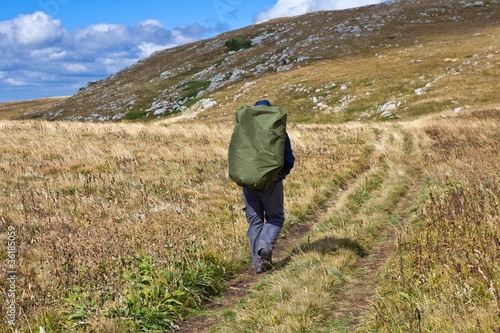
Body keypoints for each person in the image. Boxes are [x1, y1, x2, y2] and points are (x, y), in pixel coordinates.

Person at [242, 99, 295, 274]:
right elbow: (288, 158)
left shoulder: (245, 130)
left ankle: (259, 265)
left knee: (255, 222)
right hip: (271, 182)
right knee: (275, 218)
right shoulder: (277, 129)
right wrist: (281, 174)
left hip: (248, 183)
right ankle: (265, 246)